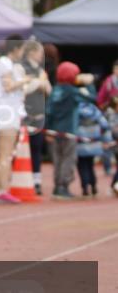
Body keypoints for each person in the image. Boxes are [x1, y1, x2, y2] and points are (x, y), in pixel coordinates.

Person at [0, 35, 30, 204]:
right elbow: (8, 86)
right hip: (6, 112)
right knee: (5, 153)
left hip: (10, 111)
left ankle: (0, 188)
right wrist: (24, 80)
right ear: (16, 49)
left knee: (4, 153)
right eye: (22, 49)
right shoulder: (5, 62)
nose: (22, 53)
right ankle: (0, 189)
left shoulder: (8, 63)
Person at [47, 61, 94, 199]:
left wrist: (48, 129)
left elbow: (48, 111)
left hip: (54, 132)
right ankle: (63, 186)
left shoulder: (55, 90)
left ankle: (57, 186)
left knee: (57, 160)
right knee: (68, 159)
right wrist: (89, 84)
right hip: (69, 131)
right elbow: (91, 98)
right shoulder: (72, 91)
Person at [21, 39, 52, 196]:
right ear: (32, 52)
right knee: (20, 150)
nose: (42, 56)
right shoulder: (21, 67)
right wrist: (37, 82)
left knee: (37, 149)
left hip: (39, 116)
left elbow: (48, 90)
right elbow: (24, 89)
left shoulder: (40, 69)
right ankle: (19, 180)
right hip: (25, 116)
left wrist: (43, 82)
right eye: (40, 52)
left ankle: (37, 181)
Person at [76, 96, 111, 196]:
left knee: (82, 165)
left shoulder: (75, 110)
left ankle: (85, 187)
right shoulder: (95, 110)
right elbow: (104, 125)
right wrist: (105, 140)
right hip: (93, 142)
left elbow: (71, 125)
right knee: (91, 165)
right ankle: (94, 186)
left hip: (80, 142)